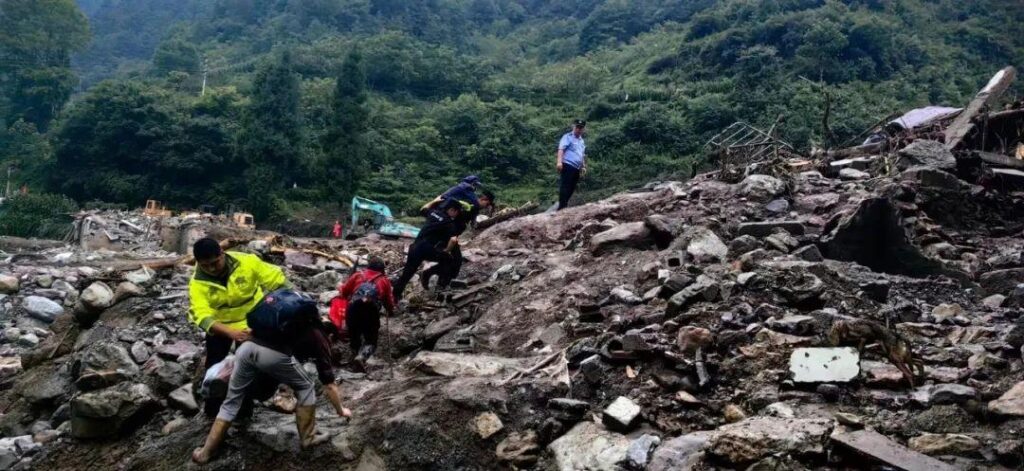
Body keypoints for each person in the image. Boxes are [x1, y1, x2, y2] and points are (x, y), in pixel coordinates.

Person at [191, 289, 351, 464]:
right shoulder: (320, 338)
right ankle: (309, 438)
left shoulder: (286, 323)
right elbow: (328, 383)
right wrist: (341, 410)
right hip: (272, 356)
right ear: (331, 334)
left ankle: (205, 453)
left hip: (246, 348)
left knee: (231, 401)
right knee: (306, 387)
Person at [188, 237, 291, 417]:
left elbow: (277, 281)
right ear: (198, 263)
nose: (212, 269)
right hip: (221, 326)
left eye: (215, 263)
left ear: (223, 254)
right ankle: (212, 411)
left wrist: (291, 302)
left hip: (253, 321)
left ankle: (244, 411)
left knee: (248, 367)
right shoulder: (198, 282)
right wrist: (231, 333)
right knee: (214, 366)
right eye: (206, 265)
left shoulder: (247, 262)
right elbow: (201, 315)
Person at [392, 198, 464, 300]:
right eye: (457, 212)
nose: (456, 215)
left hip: (415, 247)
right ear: (452, 210)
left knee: (407, 273)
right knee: (449, 260)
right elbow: (453, 240)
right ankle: (429, 273)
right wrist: (447, 250)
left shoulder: (434, 213)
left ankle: (395, 296)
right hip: (427, 249)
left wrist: (435, 200)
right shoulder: (448, 222)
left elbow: (423, 208)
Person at [337, 256, 396, 370]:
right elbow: (389, 302)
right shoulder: (384, 280)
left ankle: (353, 358)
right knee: (371, 339)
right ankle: (362, 356)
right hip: (370, 312)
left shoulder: (358, 275)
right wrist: (391, 311)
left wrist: (341, 289)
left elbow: (344, 292)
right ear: (382, 269)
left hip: (353, 309)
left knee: (354, 336)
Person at [556, 119, 587, 210]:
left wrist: (583, 166)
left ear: (583, 129)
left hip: (576, 168)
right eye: (577, 127)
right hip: (568, 165)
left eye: (581, 128)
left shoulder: (581, 141)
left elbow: (581, 154)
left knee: (572, 187)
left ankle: (564, 205)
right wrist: (559, 162)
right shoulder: (567, 137)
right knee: (565, 185)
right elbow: (561, 149)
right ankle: (562, 207)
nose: (579, 129)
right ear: (574, 127)